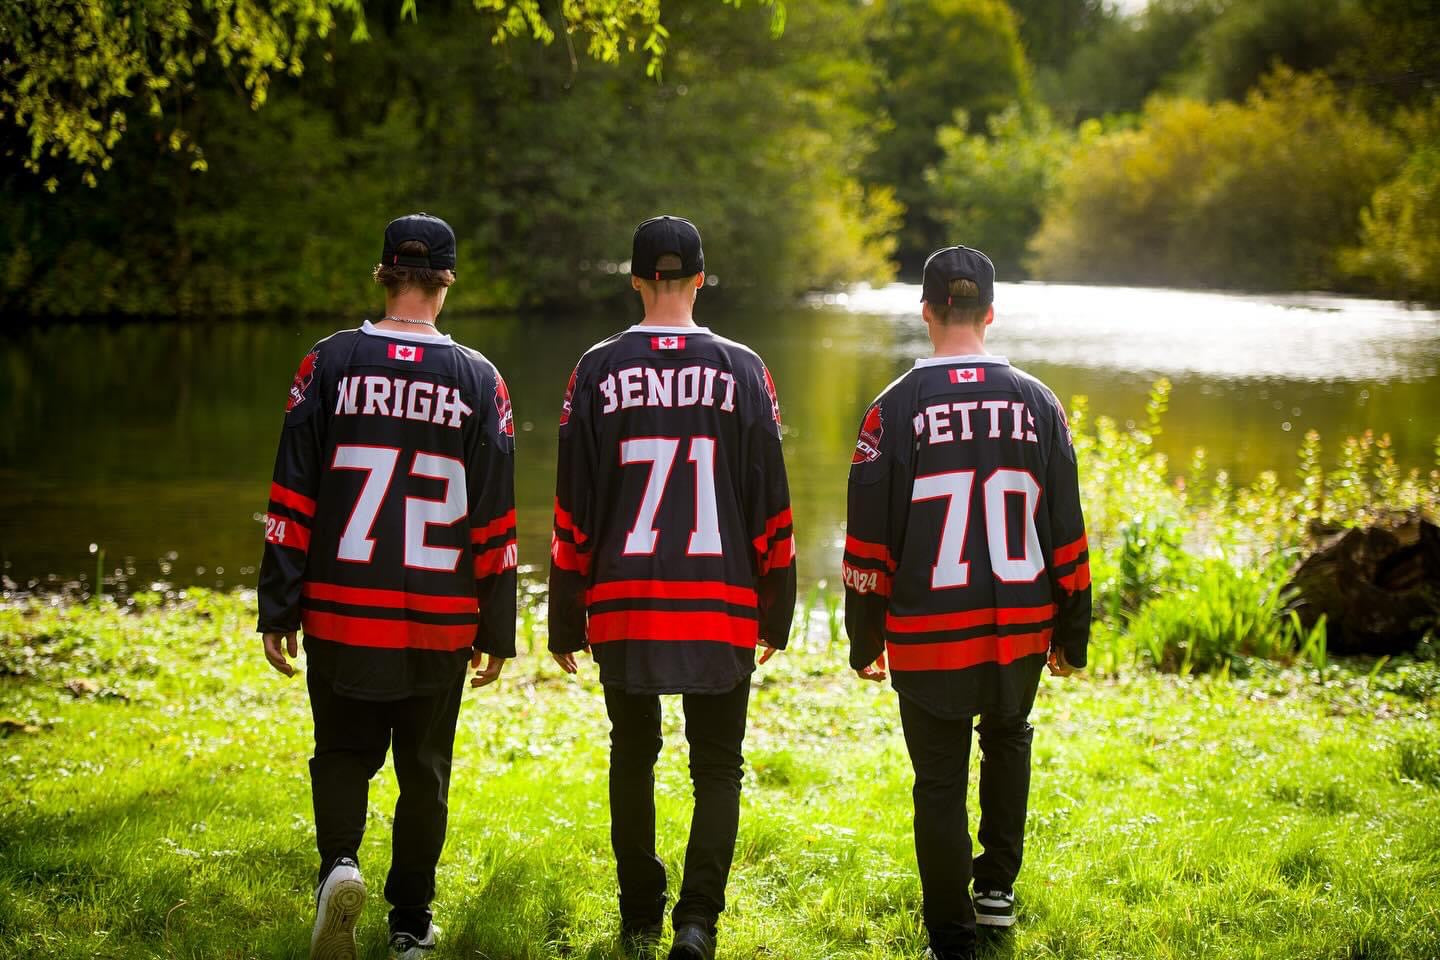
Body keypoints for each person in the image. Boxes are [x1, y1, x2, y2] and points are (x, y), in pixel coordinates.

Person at [256, 213, 517, 960]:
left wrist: (279, 603)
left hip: (340, 611)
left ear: (384, 272)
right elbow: (494, 521)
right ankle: (409, 922)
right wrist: (497, 628)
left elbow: (292, 497)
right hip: (439, 618)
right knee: (424, 772)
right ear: (446, 279)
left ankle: (339, 865)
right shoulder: (480, 380)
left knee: (340, 751)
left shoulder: (326, 364)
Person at [548, 216, 797, 960]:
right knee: (717, 764)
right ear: (698, 278)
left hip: (625, 603)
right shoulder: (745, 368)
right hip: (721, 603)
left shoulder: (595, 369)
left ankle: (637, 915)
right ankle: (697, 923)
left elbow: (574, 508)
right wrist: (775, 612)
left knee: (633, 748)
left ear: (635, 281)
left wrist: (567, 617)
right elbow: (770, 504)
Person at [841, 246, 1091, 960]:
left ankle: (950, 932)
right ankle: (996, 893)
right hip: (1019, 623)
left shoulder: (891, 410)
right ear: (989, 313)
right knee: (1009, 738)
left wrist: (866, 640)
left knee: (940, 777)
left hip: (926, 629)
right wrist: (1073, 630)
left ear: (925, 312)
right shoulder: (1040, 403)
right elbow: (1065, 530)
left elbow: (868, 545)